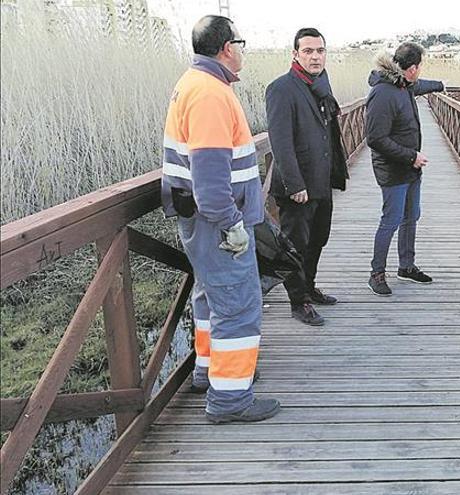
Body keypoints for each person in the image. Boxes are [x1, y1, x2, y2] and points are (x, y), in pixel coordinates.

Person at [160, 15, 279, 423]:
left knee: (211, 299)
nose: (242, 51)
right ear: (228, 47)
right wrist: (231, 222)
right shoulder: (211, 93)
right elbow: (210, 177)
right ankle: (230, 399)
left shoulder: (191, 84)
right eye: (240, 43)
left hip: (202, 220)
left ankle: (209, 370)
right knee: (238, 306)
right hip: (218, 223)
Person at [265, 27, 348, 326]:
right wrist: (294, 184)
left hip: (321, 182)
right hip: (298, 187)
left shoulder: (321, 86)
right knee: (295, 246)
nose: (315, 56)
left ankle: (309, 287)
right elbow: (281, 142)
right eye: (308, 51)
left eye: (320, 50)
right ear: (295, 54)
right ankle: (298, 302)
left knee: (318, 239)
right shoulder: (281, 89)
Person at [365, 42, 444, 296]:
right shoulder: (383, 94)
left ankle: (406, 267)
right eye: (419, 67)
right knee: (391, 220)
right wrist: (411, 156)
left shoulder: (405, 85)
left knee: (412, 216)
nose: (420, 72)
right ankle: (376, 273)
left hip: (411, 169)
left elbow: (421, 86)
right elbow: (375, 138)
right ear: (411, 69)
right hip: (394, 170)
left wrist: (441, 85)